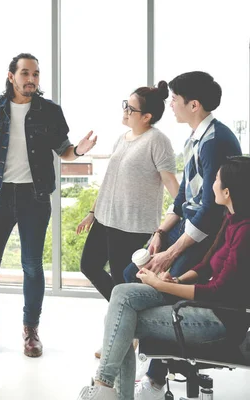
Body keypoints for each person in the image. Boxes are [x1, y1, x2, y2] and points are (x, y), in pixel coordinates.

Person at [0, 53, 97, 358]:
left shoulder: (50, 111)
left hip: (35, 197)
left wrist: (79, 150)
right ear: (11, 76)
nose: (32, 79)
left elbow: (64, 150)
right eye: (25, 73)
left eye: (35, 73)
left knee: (32, 267)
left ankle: (31, 330)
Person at [76, 156, 250, 400]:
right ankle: (105, 387)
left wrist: (159, 284)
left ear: (228, 191)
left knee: (123, 321)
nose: (212, 184)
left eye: (217, 179)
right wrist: (176, 281)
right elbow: (204, 267)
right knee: (121, 293)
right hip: (204, 305)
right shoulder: (230, 219)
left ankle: (106, 388)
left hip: (219, 321)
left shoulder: (245, 232)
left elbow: (217, 292)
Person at [120, 72, 242, 398]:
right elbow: (182, 199)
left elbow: (209, 212)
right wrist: (161, 233)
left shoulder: (216, 142)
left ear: (194, 104)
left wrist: (171, 254)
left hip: (206, 238)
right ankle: (140, 351)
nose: (170, 104)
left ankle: (156, 377)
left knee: (162, 283)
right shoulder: (196, 138)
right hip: (184, 228)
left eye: (174, 99)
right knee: (132, 273)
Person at [78, 81, 179, 303]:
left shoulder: (157, 140)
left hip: (130, 225)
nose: (125, 111)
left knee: (121, 278)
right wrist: (92, 212)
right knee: (89, 266)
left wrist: (184, 211)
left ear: (147, 117)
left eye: (131, 109)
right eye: (126, 105)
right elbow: (109, 181)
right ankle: (124, 313)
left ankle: (130, 323)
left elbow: (170, 181)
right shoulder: (121, 139)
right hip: (105, 219)